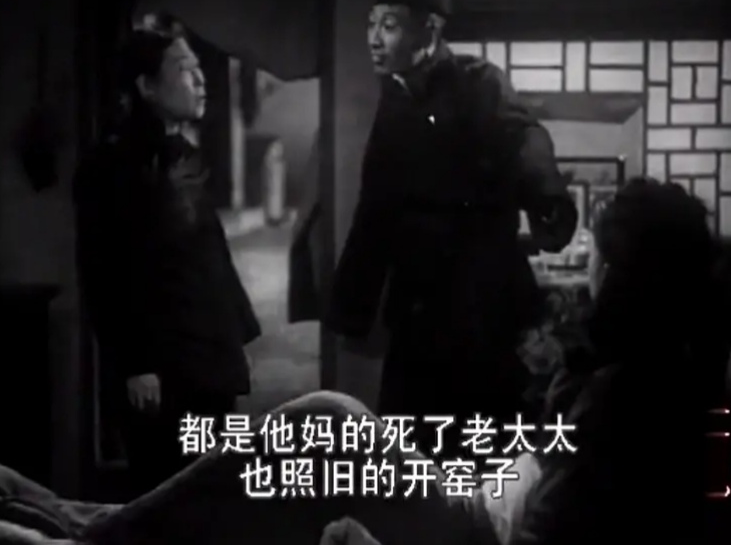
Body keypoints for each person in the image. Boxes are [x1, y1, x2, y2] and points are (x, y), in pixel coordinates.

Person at [40, 178, 706, 545]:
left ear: (622, 272)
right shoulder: (639, 365)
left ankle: (95, 527)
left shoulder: (631, 395)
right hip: (476, 500)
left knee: (326, 425)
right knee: (306, 453)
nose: (586, 265)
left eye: (597, 254)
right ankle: (98, 524)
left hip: (471, 527)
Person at [325, 0, 578, 458]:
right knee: (411, 458)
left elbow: (525, 138)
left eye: (390, 25)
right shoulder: (394, 100)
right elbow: (375, 209)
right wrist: (350, 309)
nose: (374, 38)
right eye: (371, 23)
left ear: (430, 29)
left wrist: (548, 200)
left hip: (481, 303)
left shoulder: (478, 81)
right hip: (417, 309)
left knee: (484, 454)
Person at [73, 27, 262, 495]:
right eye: (183, 70)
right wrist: (134, 364)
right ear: (147, 87)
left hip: (209, 355)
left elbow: (210, 254)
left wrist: (235, 333)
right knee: (166, 495)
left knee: (215, 488)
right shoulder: (111, 166)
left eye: (199, 69)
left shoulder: (186, 156)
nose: (200, 80)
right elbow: (103, 271)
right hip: (161, 366)